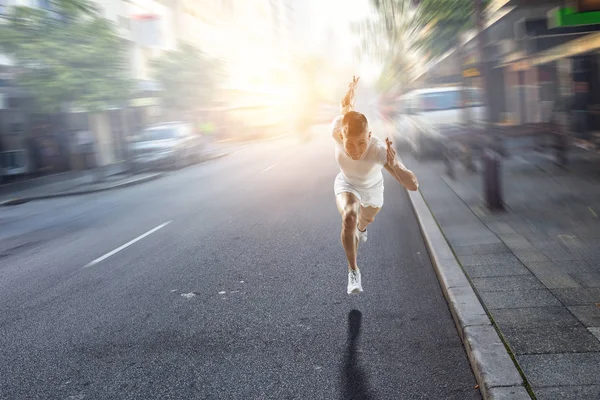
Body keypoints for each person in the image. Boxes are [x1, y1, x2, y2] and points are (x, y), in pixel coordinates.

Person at [332, 76, 419, 294]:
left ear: (369, 136)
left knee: (362, 223)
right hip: (347, 183)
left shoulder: (379, 150)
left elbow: (413, 185)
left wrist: (395, 166)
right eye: (349, 144)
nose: (355, 150)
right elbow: (345, 109)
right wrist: (350, 92)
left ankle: (362, 228)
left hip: (373, 192)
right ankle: (353, 272)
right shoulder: (336, 129)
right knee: (349, 216)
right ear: (341, 136)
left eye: (361, 143)